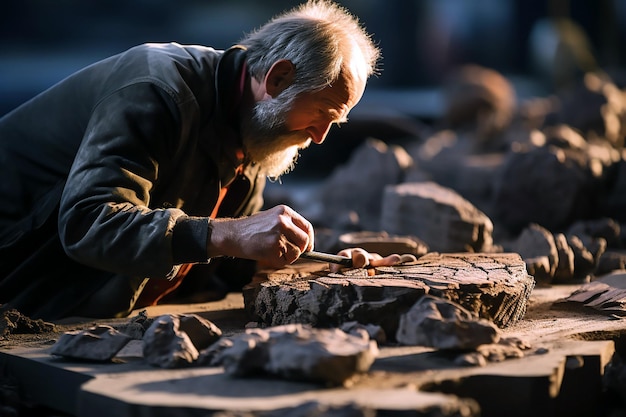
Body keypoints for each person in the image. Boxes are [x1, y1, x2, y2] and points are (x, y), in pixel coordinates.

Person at [0, 0, 401, 321]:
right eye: (321, 115)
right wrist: (230, 234)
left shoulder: (253, 127)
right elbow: (88, 220)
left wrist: (325, 259)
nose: (319, 137)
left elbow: (231, 251)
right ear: (278, 79)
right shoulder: (156, 92)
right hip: (19, 285)